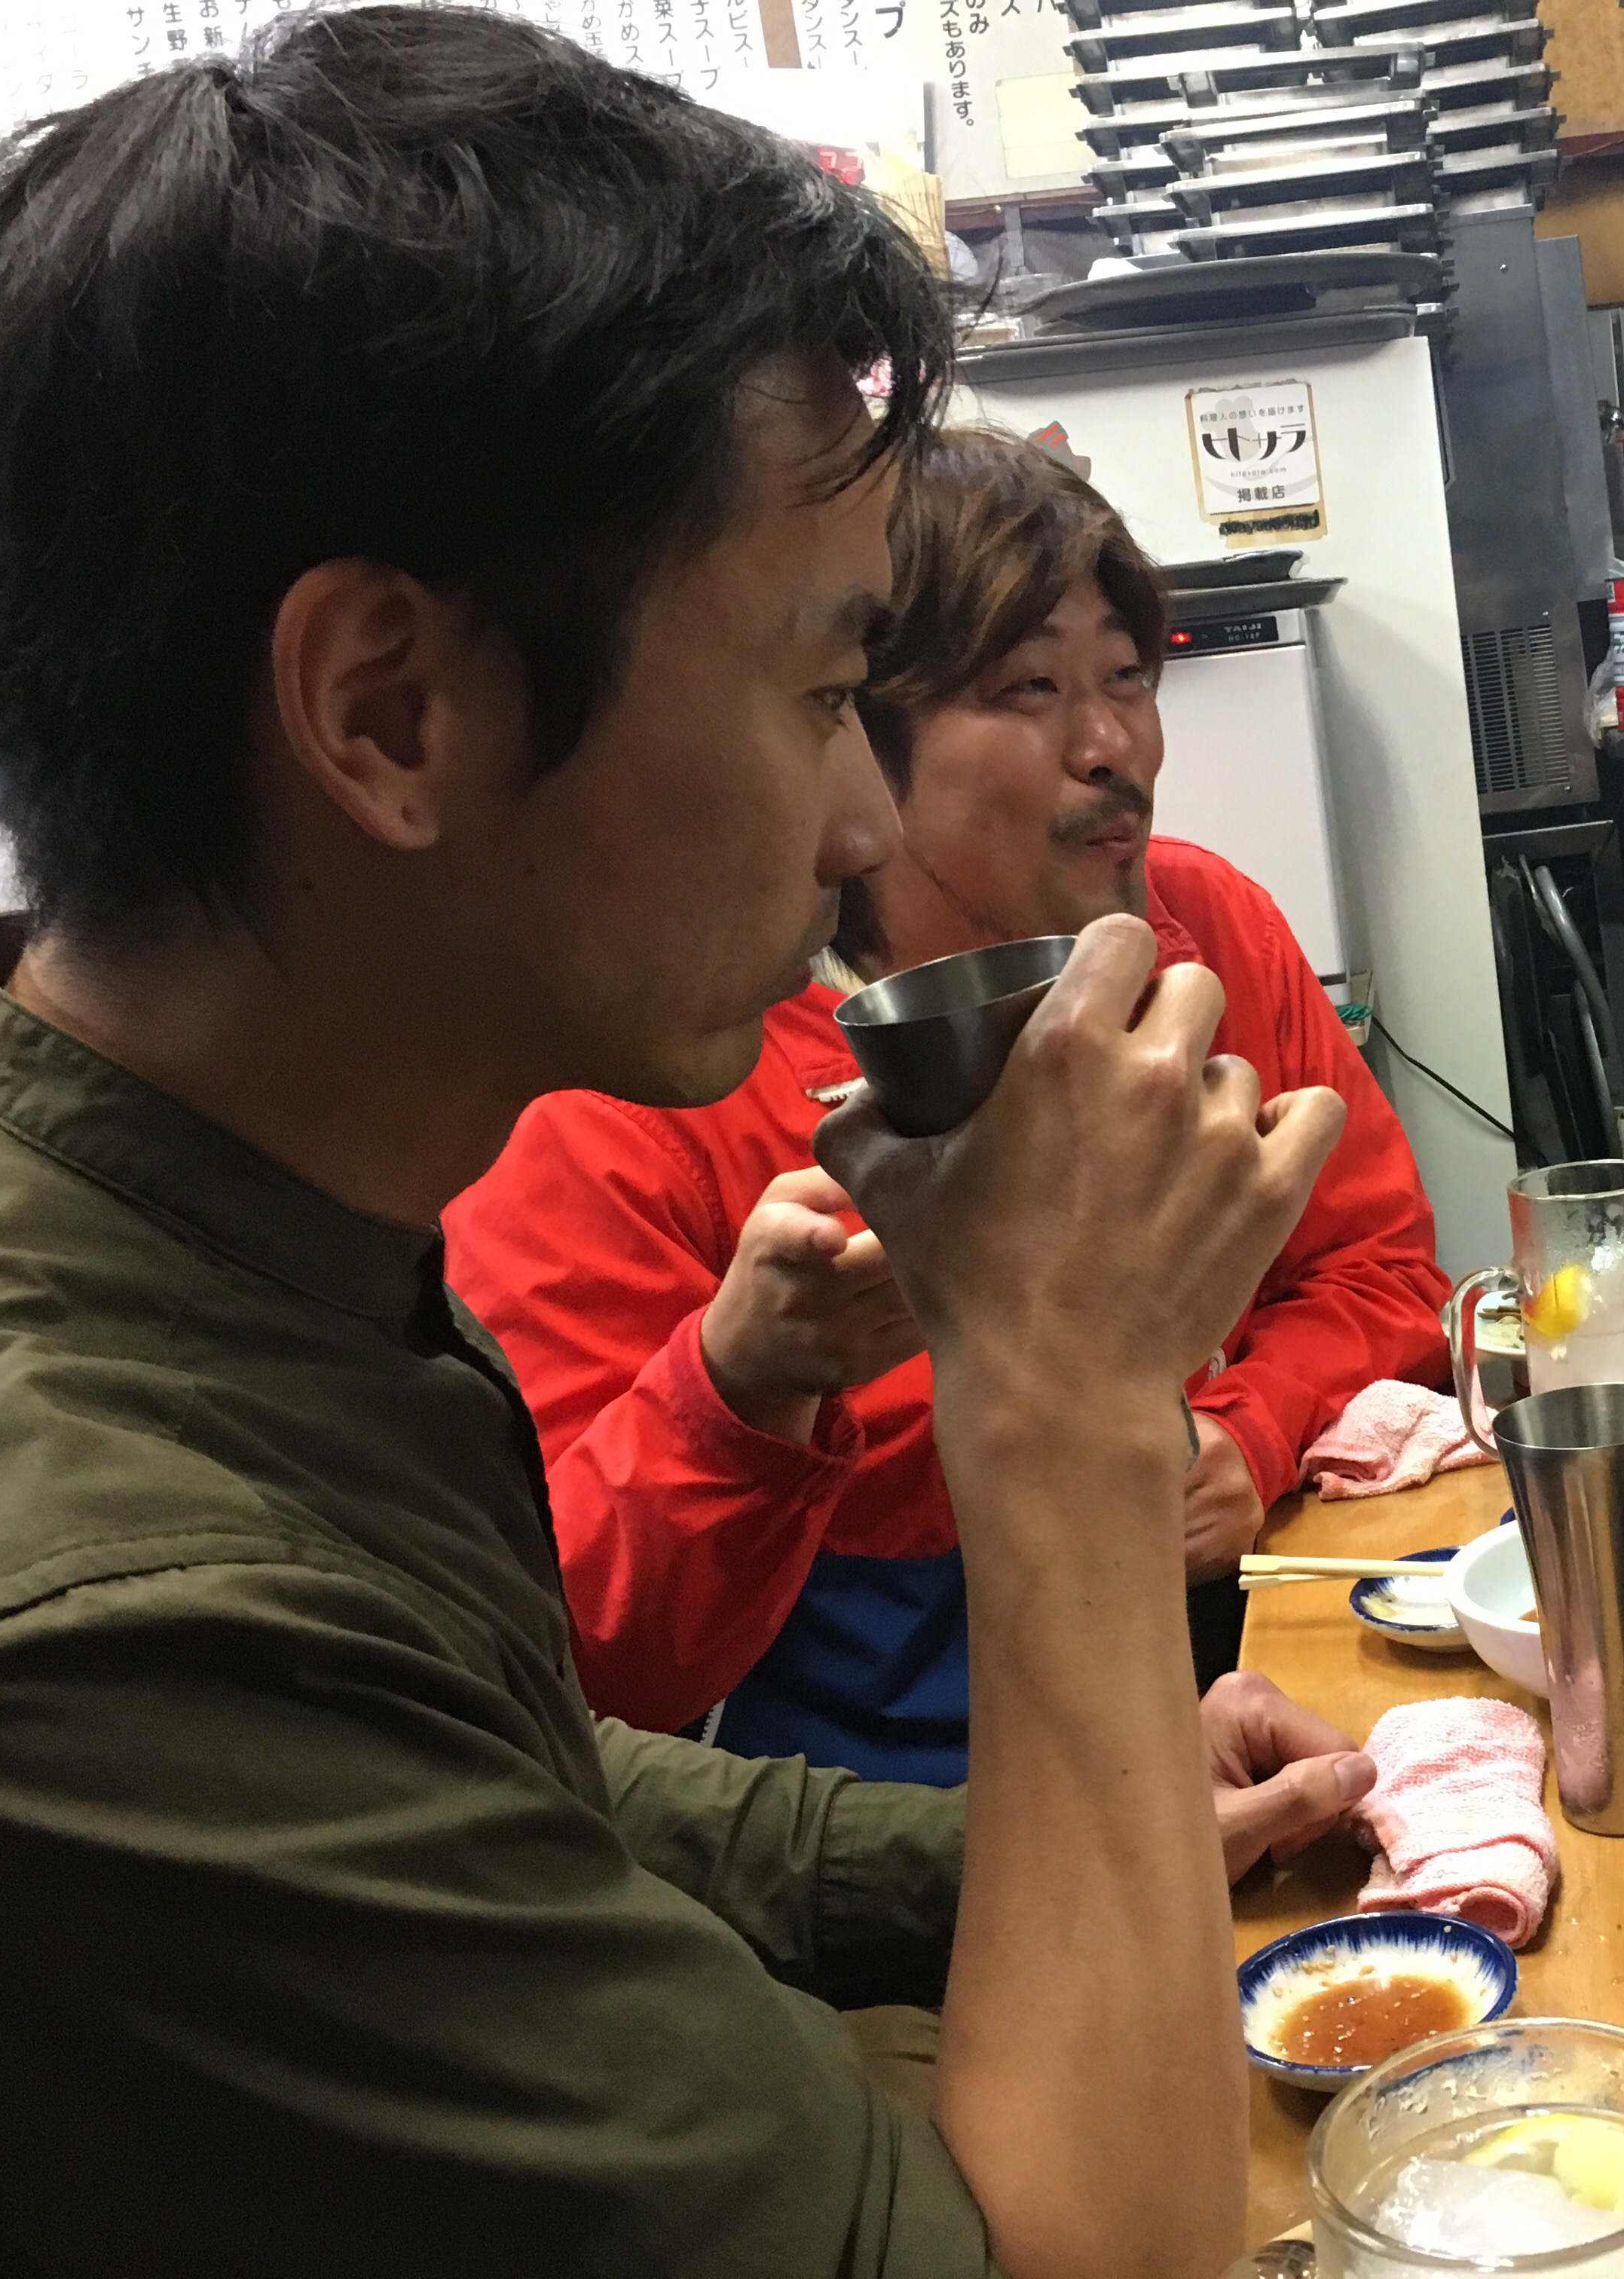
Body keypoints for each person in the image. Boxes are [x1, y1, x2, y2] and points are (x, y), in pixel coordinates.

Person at [0, 15, 1341, 2273]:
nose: (866, 821)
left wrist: (1020, 1846)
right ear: (390, 711)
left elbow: (502, 1778)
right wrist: (1067, 1396)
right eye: (820, 694)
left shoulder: (234, 1229)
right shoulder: (101, 1635)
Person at [445, 427, 1451, 1771]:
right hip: (887, 1776)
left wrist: (1249, 1428)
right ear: (854, 728)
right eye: (1029, 688)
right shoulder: (640, 1081)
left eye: (1128, 675)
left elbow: (1385, 1275)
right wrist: (742, 1381)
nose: (1112, 746)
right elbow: (585, 1653)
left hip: (1242, 1647)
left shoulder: (1208, 929)